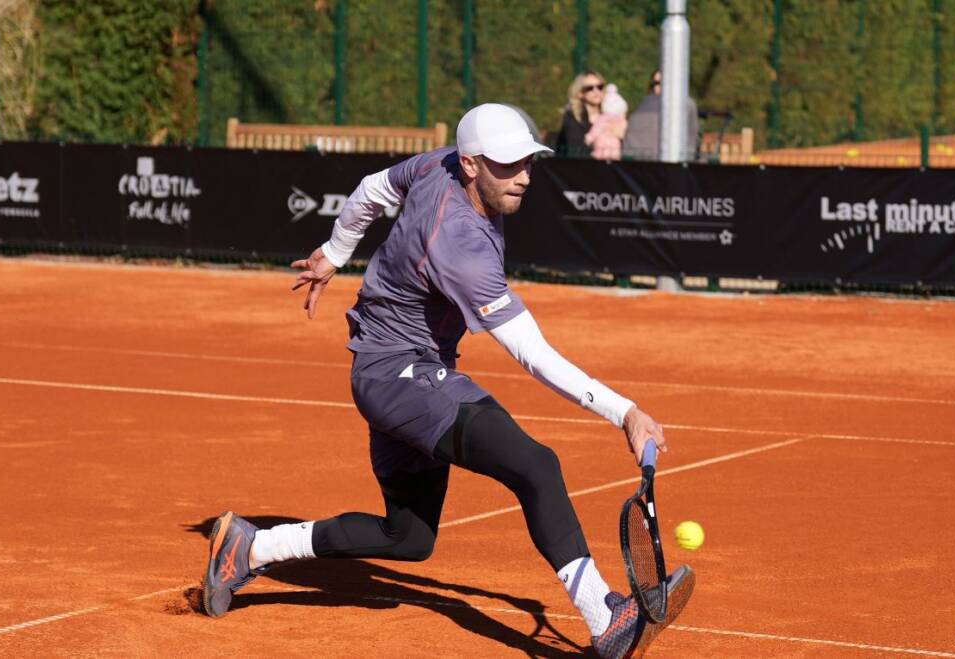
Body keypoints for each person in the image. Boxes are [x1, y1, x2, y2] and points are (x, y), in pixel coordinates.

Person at [201, 103, 693, 658]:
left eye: (528, 162)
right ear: (471, 164)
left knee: (408, 539)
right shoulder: (459, 244)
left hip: (393, 368)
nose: (524, 176)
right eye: (507, 165)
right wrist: (624, 411)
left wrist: (336, 253)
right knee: (536, 465)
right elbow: (531, 353)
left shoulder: (438, 164)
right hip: (401, 375)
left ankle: (251, 546)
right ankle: (604, 616)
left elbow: (370, 189)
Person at [622, 69, 700, 162]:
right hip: (649, 160)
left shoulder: (686, 104)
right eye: (655, 83)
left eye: (663, 82)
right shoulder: (645, 104)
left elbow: (692, 136)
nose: (658, 86)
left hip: (659, 160)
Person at [555, 71, 606, 157]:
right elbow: (576, 150)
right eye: (590, 88)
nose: (596, 91)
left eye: (599, 87)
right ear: (580, 93)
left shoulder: (611, 115)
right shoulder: (571, 116)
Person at [585, 83, 629, 161]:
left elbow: (596, 129)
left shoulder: (603, 118)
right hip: (615, 147)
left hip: (601, 145)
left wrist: (589, 138)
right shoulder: (622, 119)